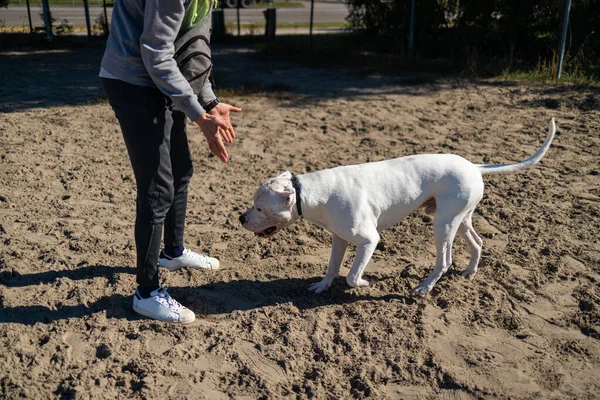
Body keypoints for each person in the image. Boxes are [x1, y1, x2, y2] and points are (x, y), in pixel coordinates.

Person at [99, 0, 241, 324]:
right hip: (133, 81)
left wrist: (210, 101)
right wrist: (197, 114)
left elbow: (190, 50)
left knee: (180, 170)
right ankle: (146, 294)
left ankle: (172, 253)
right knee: (156, 188)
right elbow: (155, 53)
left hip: (159, 81)